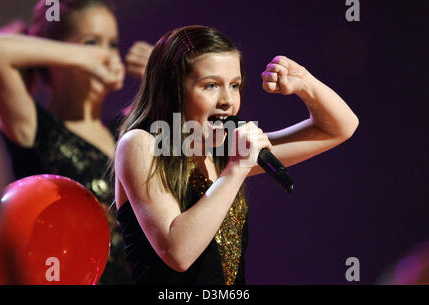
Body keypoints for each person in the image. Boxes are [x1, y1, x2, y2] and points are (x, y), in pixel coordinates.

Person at [113, 25, 359, 285]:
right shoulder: (140, 144)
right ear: (172, 89)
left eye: (234, 85)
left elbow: (339, 128)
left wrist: (305, 84)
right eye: (210, 85)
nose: (227, 100)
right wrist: (237, 168)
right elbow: (177, 252)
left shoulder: (222, 152)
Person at [0, 0, 153, 284]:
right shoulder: (34, 127)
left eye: (112, 45)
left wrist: (162, 73)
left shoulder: (125, 131)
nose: (107, 55)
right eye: (91, 42)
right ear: (55, 55)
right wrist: (87, 56)